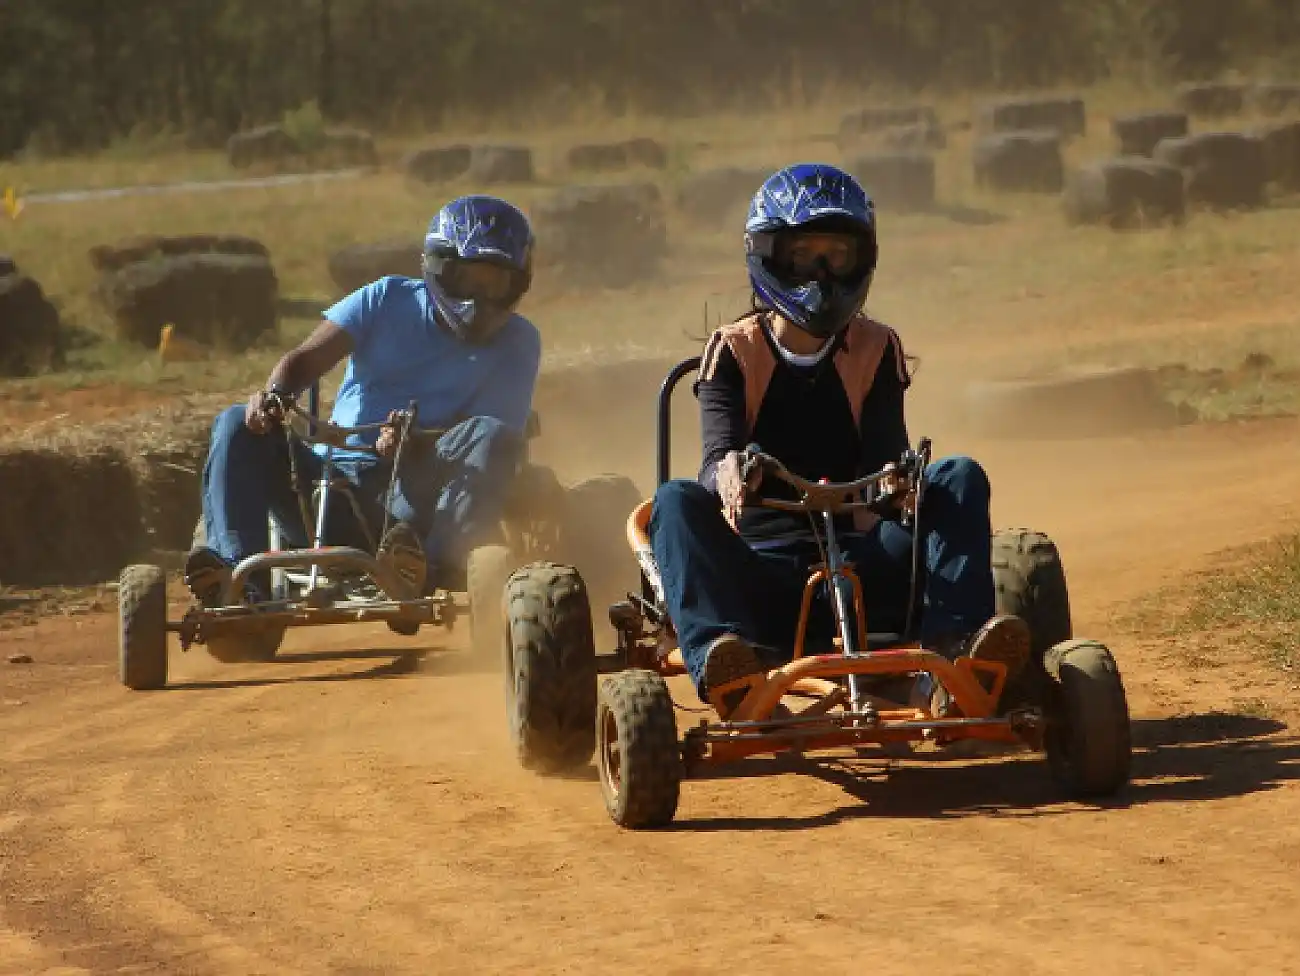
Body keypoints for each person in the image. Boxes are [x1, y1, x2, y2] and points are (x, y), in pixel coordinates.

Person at [647, 163, 1031, 720]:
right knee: (675, 500)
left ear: (863, 259)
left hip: (859, 569)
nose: (823, 275)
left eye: (838, 257)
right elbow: (713, 460)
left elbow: (885, 463)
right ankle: (723, 664)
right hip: (764, 574)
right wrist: (729, 473)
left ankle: (957, 655)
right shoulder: (733, 352)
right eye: (806, 256)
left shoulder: (877, 348)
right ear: (770, 255)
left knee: (958, 476)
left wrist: (900, 485)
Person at [185, 194, 542, 606]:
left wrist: (414, 443)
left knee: (494, 435)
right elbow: (304, 360)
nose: (480, 298)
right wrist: (275, 398)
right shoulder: (387, 298)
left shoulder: (519, 341)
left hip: (418, 505)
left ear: (517, 283)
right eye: (471, 280)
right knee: (234, 423)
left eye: (495, 283)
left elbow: (494, 434)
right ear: (441, 266)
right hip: (326, 490)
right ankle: (236, 579)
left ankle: (437, 567)